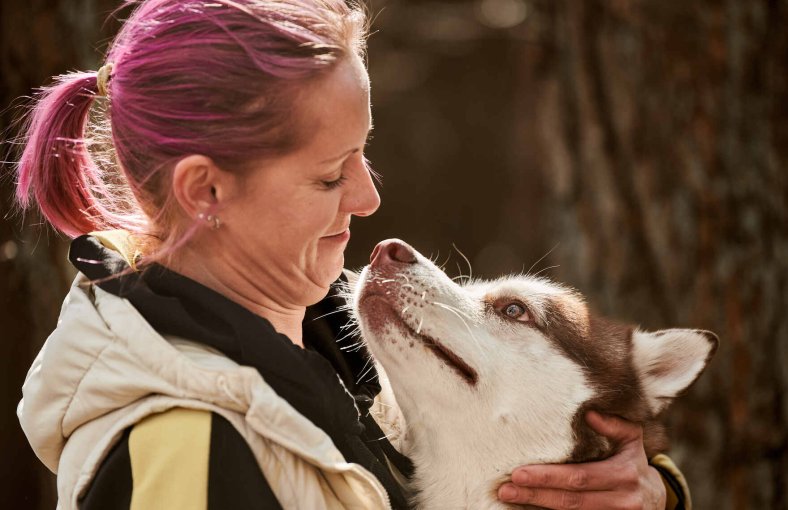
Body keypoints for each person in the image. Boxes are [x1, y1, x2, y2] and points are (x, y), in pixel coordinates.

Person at [13, 0, 690, 508]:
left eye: (365, 153)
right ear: (205, 190)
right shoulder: (184, 453)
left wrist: (639, 490)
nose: (367, 198)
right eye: (330, 173)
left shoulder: (338, 352)